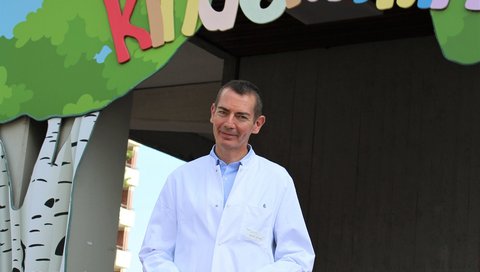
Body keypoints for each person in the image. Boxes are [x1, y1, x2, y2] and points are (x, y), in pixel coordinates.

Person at [139, 80, 315, 272]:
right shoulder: (180, 179)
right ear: (212, 112)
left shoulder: (278, 180)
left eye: (241, 116)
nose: (229, 123)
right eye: (223, 112)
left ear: (257, 124)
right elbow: (154, 251)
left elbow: (298, 257)